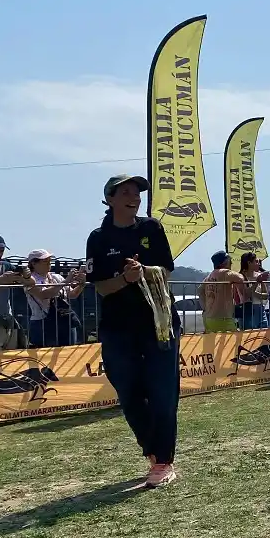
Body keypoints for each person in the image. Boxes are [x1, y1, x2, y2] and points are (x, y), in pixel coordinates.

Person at [85, 174, 181, 487]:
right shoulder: (98, 238)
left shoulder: (151, 228)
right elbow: (99, 286)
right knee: (128, 391)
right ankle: (152, 447)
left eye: (137, 192)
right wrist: (125, 279)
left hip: (159, 324)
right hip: (118, 327)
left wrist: (143, 273)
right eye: (126, 192)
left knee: (163, 393)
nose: (134, 197)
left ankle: (163, 460)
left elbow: (165, 270)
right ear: (109, 199)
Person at [25, 249, 86, 347]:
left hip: (64, 320)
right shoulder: (29, 280)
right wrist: (66, 281)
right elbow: (43, 294)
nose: (49, 263)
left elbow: (72, 294)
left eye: (49, 260)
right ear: (33, 263)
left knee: (68, 353)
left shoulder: (56, 277)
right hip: (42, 323)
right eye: (44, 260)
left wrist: (82, 284)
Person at [199, 251, 247, 333]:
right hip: (223, 319)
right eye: (230, 260)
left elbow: (200, 290)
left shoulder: (209, 276)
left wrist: (204, 308)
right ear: (224, 262)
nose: (232, 263)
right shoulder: (225, 273)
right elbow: (241, 278)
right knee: (235, 341)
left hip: (208, 318)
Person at [235, 252, 270, 329]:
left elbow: (266, 296)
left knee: (264, 335)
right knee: (248, 337)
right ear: (249, 263)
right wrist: (257, 282)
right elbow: (246, 295)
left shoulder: (259, 275)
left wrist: (254, 293)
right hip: (248, 310)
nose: (259, 264)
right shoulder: (240, 277)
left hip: (261, 309)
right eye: (256, 261)